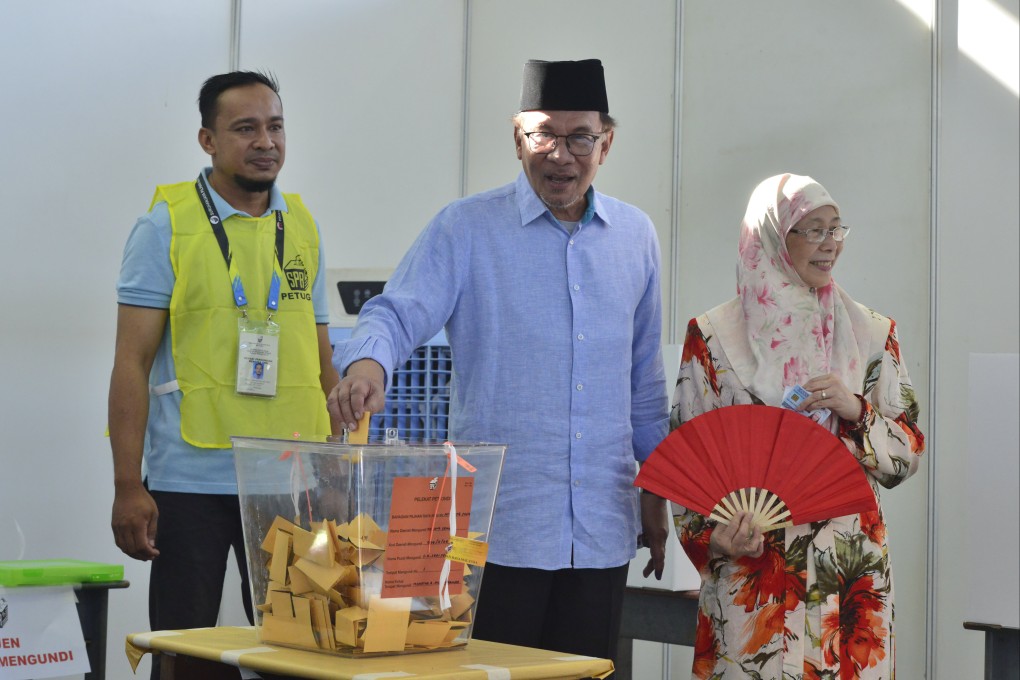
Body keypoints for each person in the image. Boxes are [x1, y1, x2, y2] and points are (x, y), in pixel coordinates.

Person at [329, 58, 670, 662]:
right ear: (518, 139)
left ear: (606, 143)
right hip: (496, 530)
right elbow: (396, 313)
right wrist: (366, 367)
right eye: (543, 135)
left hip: (602, 526)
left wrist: (656, 491)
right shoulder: (466, 229)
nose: (560, 155)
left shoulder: (635, 237)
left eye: (579, 138)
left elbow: (643, 384)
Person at [108, 71, 338, 677]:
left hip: (290, 478)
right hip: (191, 478)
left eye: (275, 126)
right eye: (245, 128)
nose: (266, 141)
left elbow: (321, 357)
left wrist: (339, 466)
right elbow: (130, 363)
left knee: (301, 652)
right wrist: (128, 484)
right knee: (187, 655)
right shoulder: (166, 225)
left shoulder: (302, 225)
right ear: (207, 140)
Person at [670, 173, 925, 679]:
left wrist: (856, 411)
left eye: (836, 228)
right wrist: (716, 538)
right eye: (813, 230)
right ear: (770, 235)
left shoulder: (873, 334)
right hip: (753, 577)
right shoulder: (713, 338)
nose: (830, 244)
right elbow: (686, 460)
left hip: (848, 577)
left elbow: (906, 454)